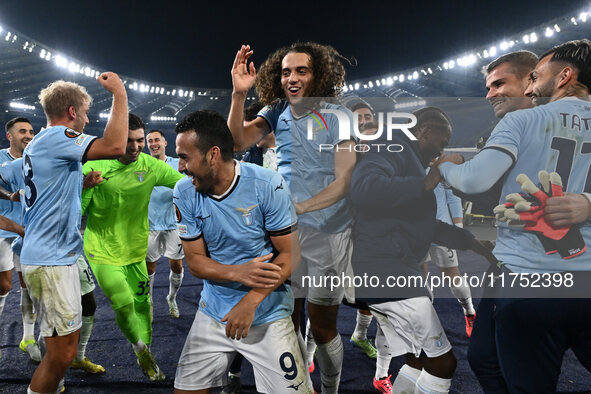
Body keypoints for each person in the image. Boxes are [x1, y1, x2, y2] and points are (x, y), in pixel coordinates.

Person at [439, 39, 591, 393]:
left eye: (500, 84)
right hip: (513, 267)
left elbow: (477, 182)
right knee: (483, 359)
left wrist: (446, 168)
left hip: (539, 275)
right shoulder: (503, 129)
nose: (491, 94)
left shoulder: (523, 123)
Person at [228, 43, 356, 393]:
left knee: (324, 323)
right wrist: (239, 94)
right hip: (287, 235)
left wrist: (301, 207)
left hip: (330, 233)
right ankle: (301, 387)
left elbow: (344, 180)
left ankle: (329, 389)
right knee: (287, 319)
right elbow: (237, 141)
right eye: (286, 71)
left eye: (302, 70)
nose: (292, 77)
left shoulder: (338, 115)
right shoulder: (276, 110)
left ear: (318, 76)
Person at [350, 106, 495, 394]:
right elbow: (364, 188)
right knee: (444, 364)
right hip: (389, 272)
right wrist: (428, 180)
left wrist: (471, 243)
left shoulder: (411, 160)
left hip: (387, 272)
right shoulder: (391, 147)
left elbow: (425, 226)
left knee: (416, 360)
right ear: (425, 132)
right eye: (442, 142)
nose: (442, 149)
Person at [172, 110, 311, 394]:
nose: (180, 167)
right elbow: (196, 262)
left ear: (212, 155)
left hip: (267, 313)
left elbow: (290, 255)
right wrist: (238, 272)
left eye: (185, 157)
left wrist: (250, 302)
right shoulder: (184, 192)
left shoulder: (267, 185)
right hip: (213, 311)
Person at [20, 75, 128, 394]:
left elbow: (49, 191)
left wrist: (82, 184)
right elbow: (116, 146)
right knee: (61, 354)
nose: (87, 118)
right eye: (84, 112)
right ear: (71, 112)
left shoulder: (43, 143)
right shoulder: (57, 137)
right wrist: (120, 94)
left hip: (56, 255)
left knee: (64, 348)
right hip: (50, 260)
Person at [82, 113, 184, 382]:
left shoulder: (151, 166)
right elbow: (76, 209)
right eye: (128, 141)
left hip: (135, 251)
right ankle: (141, 351)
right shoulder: (94, 167)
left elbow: (184, 186)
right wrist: (84, 186)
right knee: (124, 303)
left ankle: (144, 345)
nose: (135, 147)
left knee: (142, 303)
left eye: (140, 140)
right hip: (102, 251)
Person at [0, 117, 38, 362]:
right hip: (3, 230)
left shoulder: (36, 158)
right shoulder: (1, 158)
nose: (28, 135)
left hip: (29, 230)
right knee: (3, 286)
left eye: (31, 131)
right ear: (9, 136)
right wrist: (9, 196)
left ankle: (27, 337)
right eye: (22, 131)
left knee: (30, 286)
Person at [145, 129, 185, 318]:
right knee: (149, 267)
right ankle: (149, 303)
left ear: (164, 142)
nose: (153, 144)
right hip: (149, 225)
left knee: (176, 266)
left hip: (173, 224)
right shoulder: (141, 165)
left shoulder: (177, 164)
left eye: (156, 140)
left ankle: (172, 298)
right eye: (150, 141)